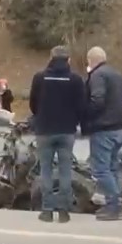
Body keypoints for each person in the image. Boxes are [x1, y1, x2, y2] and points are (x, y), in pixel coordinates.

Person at [29, 46, 86, 223]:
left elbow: (33, 103)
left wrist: (41, 116)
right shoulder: (75, 79)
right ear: (68, 60)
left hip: (44, 130)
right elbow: (82, 106)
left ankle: (47, 210)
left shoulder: (40, 78)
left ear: (51, 58)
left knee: (45, 170)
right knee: (65, 171)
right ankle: (63, 211)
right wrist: (75, 121)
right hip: (67, 131)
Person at [83, 46, 122, 221]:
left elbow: (97, 100)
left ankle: (113, 205)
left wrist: (85, 114)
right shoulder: (118, 75)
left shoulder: (98, 75)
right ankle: (117, 204)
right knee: (113, 167)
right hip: (118, 128)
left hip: (102, 129)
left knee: (101, 170)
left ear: (91, 60)